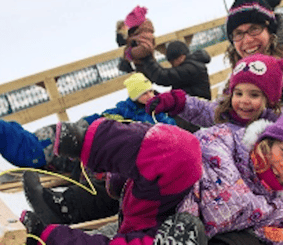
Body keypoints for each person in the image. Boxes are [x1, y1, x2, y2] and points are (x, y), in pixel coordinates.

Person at [20, 53, 283, 245]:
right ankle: (73, 147)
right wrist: (175, 101)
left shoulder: (272, 209)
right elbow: (186, 127)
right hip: (160, 191)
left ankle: (49, 236)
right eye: (240, 93)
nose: (277, 162)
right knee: (178, 144)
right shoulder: (225, 136)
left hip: (173, 231)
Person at [144, 0, 283, 244]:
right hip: (229, 186)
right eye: (238, 34)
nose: (247, 40)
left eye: (255, 30)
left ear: (271, 32)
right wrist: (179, 103)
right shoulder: (237, 80)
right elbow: (220, 119)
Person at [21, 73, 177, 225]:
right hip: (139, 156)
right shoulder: (125, 109)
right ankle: (60, 175)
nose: (149, 95)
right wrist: (107, 119)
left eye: (150, 91)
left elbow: (170, 131)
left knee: (118, 185)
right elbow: (108, 116)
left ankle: (64, 207)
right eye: (144, 93)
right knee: (93, 156)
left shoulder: (160, 113)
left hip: (151, 162)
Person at [121, 5, 156, 71]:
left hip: (148, 67)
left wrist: (131, 53)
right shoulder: (137, 34)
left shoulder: (144, 33)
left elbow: (146, 48)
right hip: (142, 67)